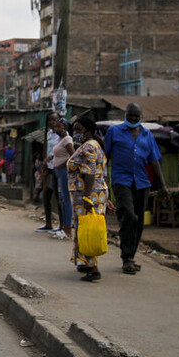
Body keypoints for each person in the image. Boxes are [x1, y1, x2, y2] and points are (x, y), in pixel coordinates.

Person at [104, 103, 169, 275]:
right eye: (130, 115)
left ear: (141, 116)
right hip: (121, 180)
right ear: (126, 114)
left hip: (142, 182)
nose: (133, 119)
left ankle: (130, 257)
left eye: (136, 116)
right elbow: (105, 156)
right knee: (129, 215)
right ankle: (126, 257)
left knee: (139, 221)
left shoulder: (147, 135)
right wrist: (102, 180)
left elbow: (154, 160)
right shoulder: (114, 132)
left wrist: (163, 185)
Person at [67, 116, 109, 281]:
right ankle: (84, 262)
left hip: (87, 194)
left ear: (89, 131)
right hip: (95, 193)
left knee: (87, 229)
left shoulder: (89, 147)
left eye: (78, 130)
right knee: (84, 227)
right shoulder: (95, 145)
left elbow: (90, 173)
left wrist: (86, 197)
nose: (75, 133)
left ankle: (93, 268)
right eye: (74, 130)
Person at [36, 112, 61, 232]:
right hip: (49, 168)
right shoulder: (49, 134)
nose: (52, 122)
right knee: (46, 195)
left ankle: (62, 225)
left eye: (54, 120)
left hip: (58, 167)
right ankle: (48, 223)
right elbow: (46, 150)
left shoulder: (62, 135)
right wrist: (44, 164)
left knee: (58, 196)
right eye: (50, 120)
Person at [51, 119, 75, 238]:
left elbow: (73, 156)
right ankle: (63, 226)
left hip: (64, 171)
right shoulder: (60, 139)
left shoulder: (67, 140)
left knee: (66, 199)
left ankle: (68, 228)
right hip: (58, 171)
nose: (56, 129)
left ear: (64, 127)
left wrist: (63, 164)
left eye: (58, 126)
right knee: (62, 199)